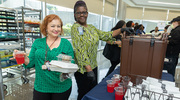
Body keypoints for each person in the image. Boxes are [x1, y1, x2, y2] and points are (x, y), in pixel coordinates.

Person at [71, 1, 126, 100]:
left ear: (87, 13)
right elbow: (80, 50)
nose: (82, 15)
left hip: (93, 67)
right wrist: (89, 70)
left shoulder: (91, 28)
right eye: (79, 13)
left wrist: (121, 30)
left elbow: (106, 35)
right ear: (75, 15)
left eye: (84, 12)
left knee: (92, 94)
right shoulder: (75, 28)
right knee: (84, 95)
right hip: (83, 70)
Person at [13, 14, 74, 100]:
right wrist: (24, 58)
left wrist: (64, 66)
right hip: (41, 86)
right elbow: (30, 63)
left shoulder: (66, 44)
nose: (56, 29)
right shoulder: (38, 42)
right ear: (45, 27)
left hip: (61, 87)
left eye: (58, 26)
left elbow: (72, 63)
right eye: (52, 26)